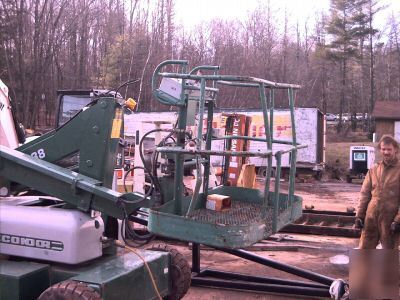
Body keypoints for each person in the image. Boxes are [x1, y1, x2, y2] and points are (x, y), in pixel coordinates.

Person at [355, 134, 400, 249]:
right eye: (383, 149)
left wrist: (398, 220)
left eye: (389, 149)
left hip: (391, 220)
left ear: (396, 149)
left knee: (390, 254)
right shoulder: (374, 169)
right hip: (371, 217)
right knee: (364, 251)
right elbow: (364, 194)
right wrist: (359, 215)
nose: (386, 152)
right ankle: (362, 268)